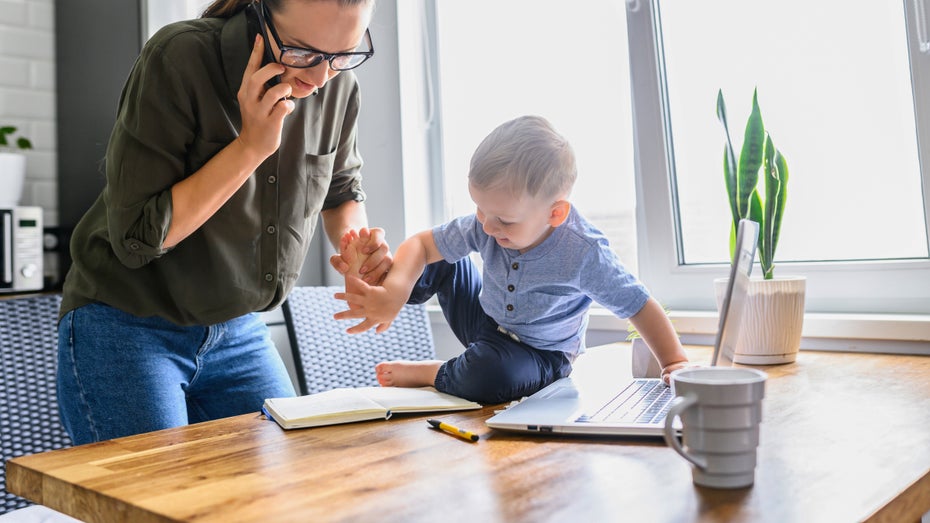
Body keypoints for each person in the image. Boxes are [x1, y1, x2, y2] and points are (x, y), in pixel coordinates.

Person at [56, 0, 392, 445]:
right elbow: (137, 236)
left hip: (237, 328)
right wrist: (251, 147)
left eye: (344, 54)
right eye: (303, 53)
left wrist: (354, 246)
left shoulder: (337, 84)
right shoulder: (180, 58)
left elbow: (341, 187)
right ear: (260, 14)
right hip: (128, 322)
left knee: (282, 499)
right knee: (154, 508)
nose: (319, 79)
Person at [335, 115, 689, 405]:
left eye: (504, 221)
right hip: (486, 325)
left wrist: (674, 362)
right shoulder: (488, 222)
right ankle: (382, 292)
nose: (487, 226)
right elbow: (422, 244)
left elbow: (638, 305)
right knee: (442, 256)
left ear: (555, 213)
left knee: (491, 375)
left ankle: (434, 372)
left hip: (540, 357)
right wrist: (396, 290)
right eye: (480, 210)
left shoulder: (583, 252)